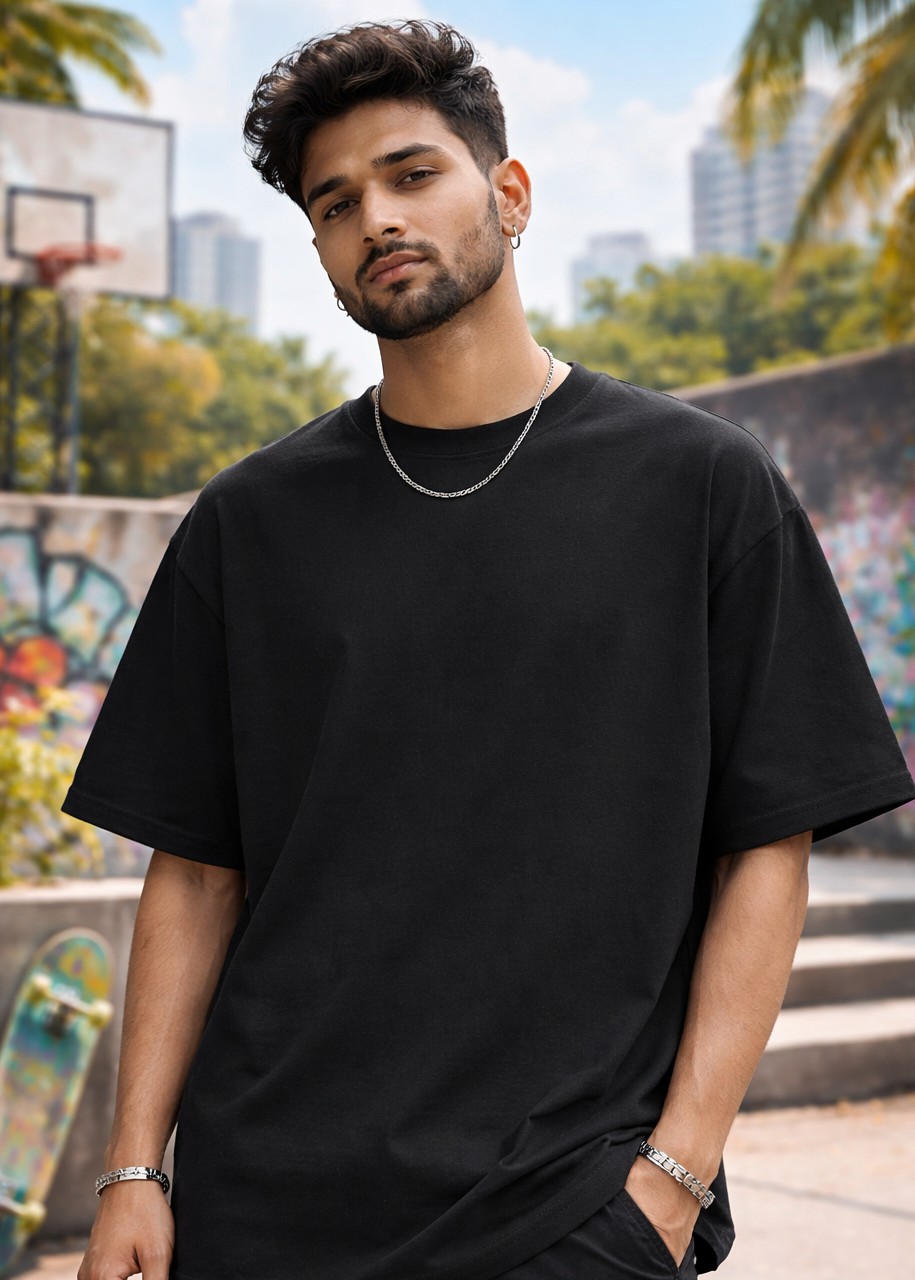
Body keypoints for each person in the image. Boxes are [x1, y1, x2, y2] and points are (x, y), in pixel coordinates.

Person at [71, 21, 913, 1280]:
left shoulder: (701, 489)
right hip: (266, 1209)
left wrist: (670, 1183)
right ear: (318, 248)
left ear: (508, 194)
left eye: (415, 174)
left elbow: (767, 847)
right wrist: (136, 1167)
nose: (378, 219)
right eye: (337, 201)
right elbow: (193, 872)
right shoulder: (248, 523)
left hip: (570, 1207)